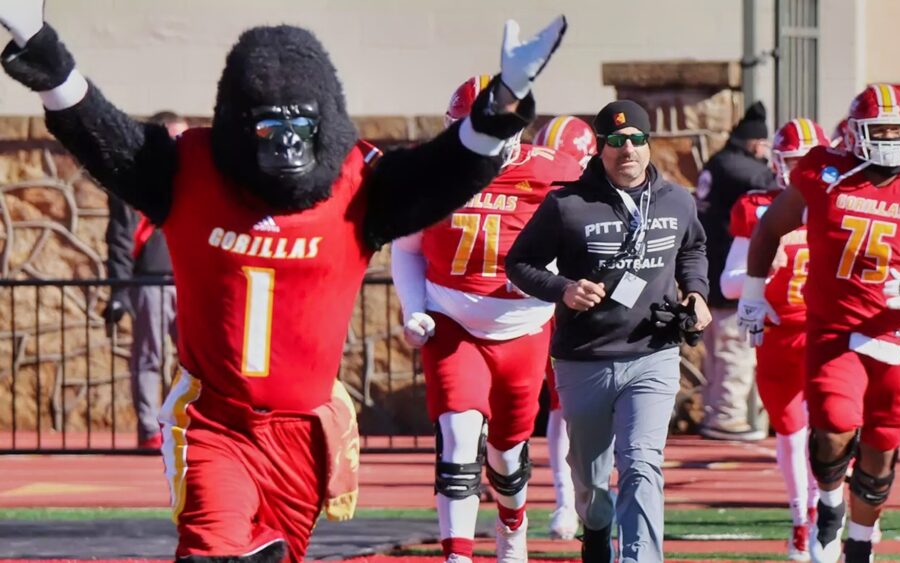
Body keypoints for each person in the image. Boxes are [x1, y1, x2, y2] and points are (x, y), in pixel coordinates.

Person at [0, 2, 568, 561]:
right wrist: (44, 51)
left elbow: (444, 174)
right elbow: (103, 133)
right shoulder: (189, 169)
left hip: (304, 427)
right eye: (271, 125)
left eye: (300, 125)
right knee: (213, 549)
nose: (287, 142)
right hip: (215, 418)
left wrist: (502, 104)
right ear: (240, 123)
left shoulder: (356, 181)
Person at [741, 84, 900, 563]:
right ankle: (830, 502)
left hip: (899, 334)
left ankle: (860, 542)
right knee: (835, 426)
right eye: (877, 128)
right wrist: (753, 293)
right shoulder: (824, 170)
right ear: (856, 133)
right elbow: (770, 227)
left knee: (882, 445)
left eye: (896, 129)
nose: (887, 138)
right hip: (835, 328)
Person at [507, 100, 711, 563]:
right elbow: (519, 264)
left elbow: (693, 249)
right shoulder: (566, 204)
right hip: (586, 357)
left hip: (652, 353)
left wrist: (696, 293)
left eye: (636, 140)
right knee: (591, 480)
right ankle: (595, 531)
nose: (628, 151)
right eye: (616, 142)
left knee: (641, 464)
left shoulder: (677, 200)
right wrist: (563, 289)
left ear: (648, 145)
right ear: (600, 149)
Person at [391, 77, 581, 563]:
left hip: (523, 328)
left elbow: (585, 243)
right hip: (451, 319)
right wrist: (414, 309)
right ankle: (458, 555)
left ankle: (511, 525)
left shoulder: (552, 172)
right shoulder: (432, 172)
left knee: (507, 451)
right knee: (458, 432)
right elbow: (407, 248)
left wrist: (546, 275)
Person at [720, 117, 829, 561]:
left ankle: (833, 510)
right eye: (793, 161)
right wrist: (758, 277)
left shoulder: (841, 203)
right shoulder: (757, 206)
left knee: (835, 426)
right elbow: (727, 282)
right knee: (789, 432)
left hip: (828, 332)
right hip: (780, 334)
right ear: (778, 163)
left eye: (808, 161)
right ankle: (801, 514)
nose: (800, 169)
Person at [102, 111, 188, 450]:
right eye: (174, 137)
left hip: (188, 280)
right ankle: (150, 428)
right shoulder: (131, 182)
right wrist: (119, 291)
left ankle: (193, 424)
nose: (181, 145)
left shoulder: (193, 180)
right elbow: (120, 240)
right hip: (149, 281)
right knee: (148, 357)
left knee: (197, 360)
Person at [530, 114, 598, 541]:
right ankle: (564, 500)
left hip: (599, 309)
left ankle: (592, 497)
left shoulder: (607, 190)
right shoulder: (532, 190)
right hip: (552, 309)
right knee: (560, 406)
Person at [695, 101, 774, 441]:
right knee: (734, 350)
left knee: (718, 352)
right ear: (756, 143)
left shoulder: (720, 162)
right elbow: (774, 182)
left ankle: (718, 412)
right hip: (729, 274)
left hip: (713, 271)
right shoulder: (740, 169)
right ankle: (726, 417)